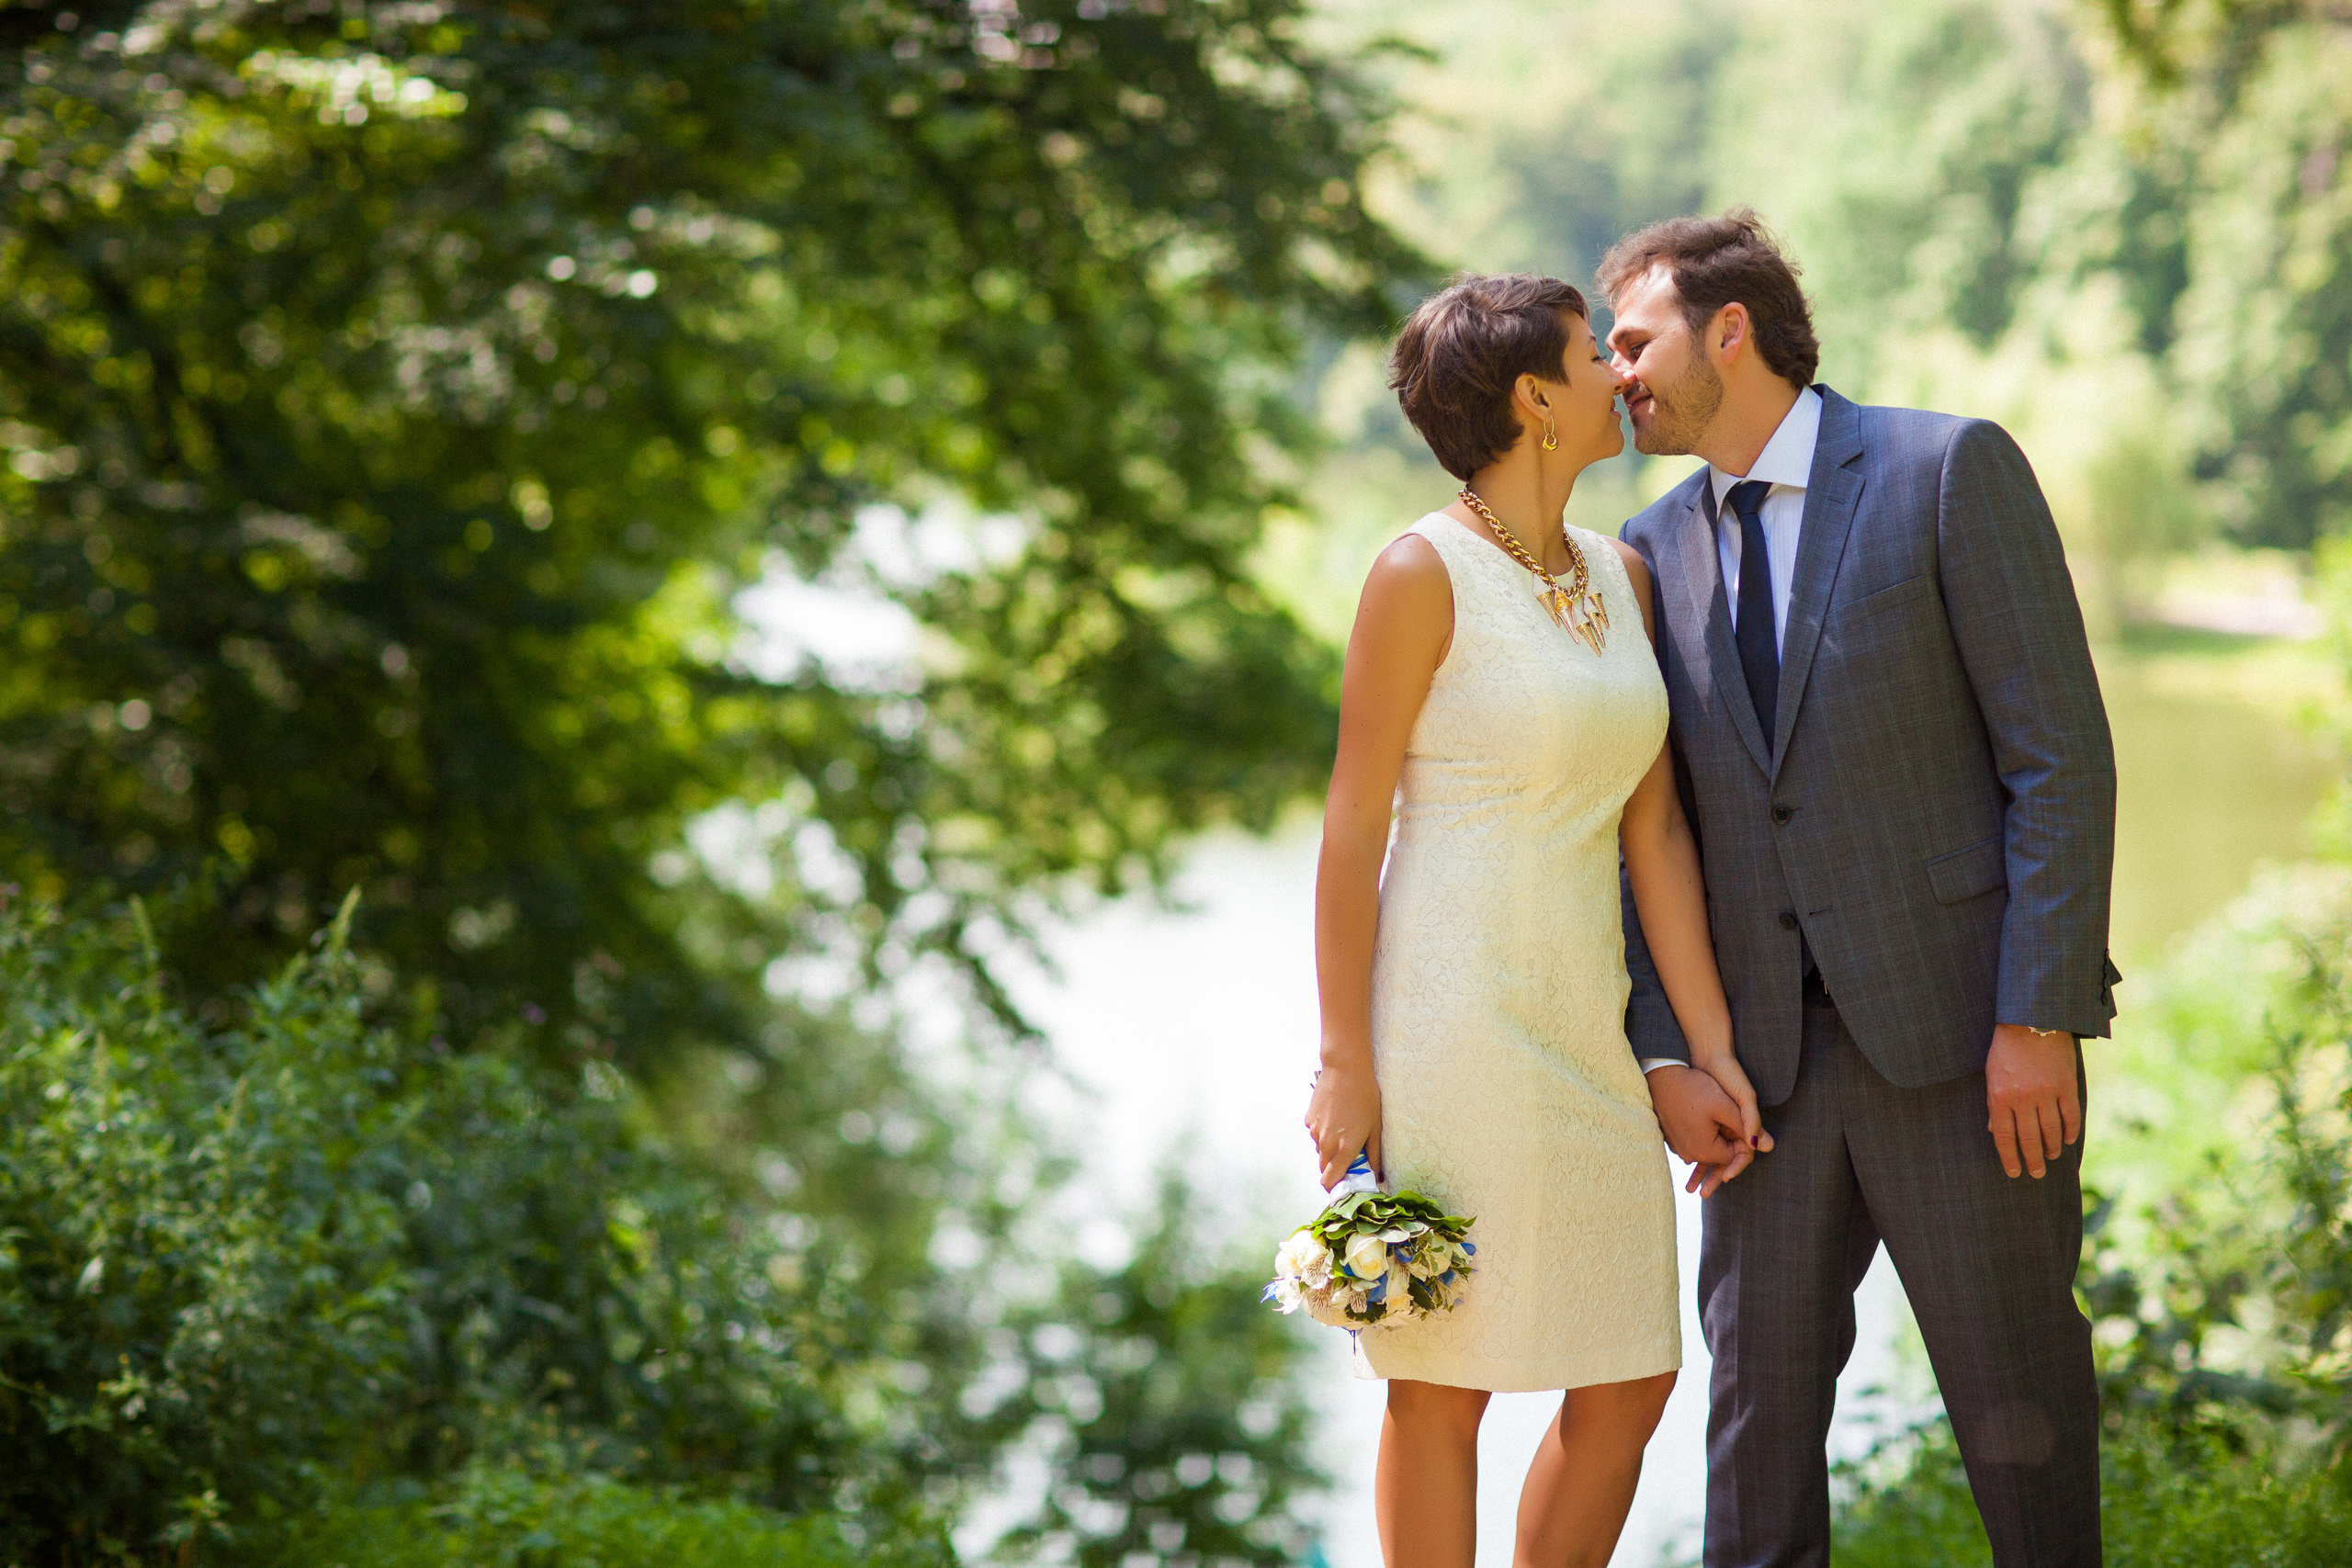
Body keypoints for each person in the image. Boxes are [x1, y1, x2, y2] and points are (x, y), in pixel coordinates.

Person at [1602, 209, 2119, 1568]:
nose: (1616, 372)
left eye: (1636, 338)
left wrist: (2038, 1016)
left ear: (1732, 329)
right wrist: (1669, 1049)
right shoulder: (1647, 545)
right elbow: (1643, 830)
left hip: (1964, 1053)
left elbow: (2058, 760)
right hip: (1757, 1084)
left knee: (2025, 1429)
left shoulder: (1943, 469)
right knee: (1752, 1453)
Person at [1303, 273, 1767, 1568]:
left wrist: (1710, 1047)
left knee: (1631, 1376)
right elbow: (1349, 834)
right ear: (1532, 400)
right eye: (1588, 352)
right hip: (1453, 1024)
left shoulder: (1619, 573)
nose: (1621, 373)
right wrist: (1346, 1060)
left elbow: (1655, 829)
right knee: (1443, 1377)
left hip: (1588, 1028)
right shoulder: (1418, 571)